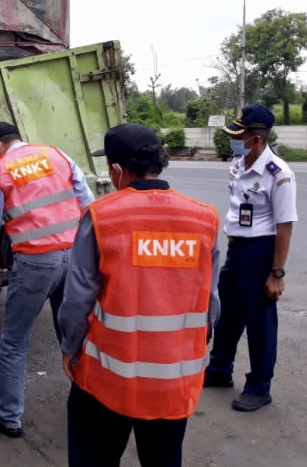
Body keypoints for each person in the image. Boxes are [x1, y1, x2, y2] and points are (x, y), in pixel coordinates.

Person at [59, 123, 220, 467]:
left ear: (117, 170)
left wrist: (70, 349)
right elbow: (211, 302)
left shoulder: (102, 216)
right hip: (174, 381)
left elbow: (76, 301)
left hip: (107, 381)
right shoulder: (204, 218)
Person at [0, 121, 94, 438]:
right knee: (74, 334)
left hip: (35, 262)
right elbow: (87, 203)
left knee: (13, 343)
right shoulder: (56, 154)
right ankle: (90, 408)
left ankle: (7, 417)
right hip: (74, 255)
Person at [204, 103, 298, 412]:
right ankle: (219, 370)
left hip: (261, 251)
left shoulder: (278, 174)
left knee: (260, 322)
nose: (233, 140)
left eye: (238, 135)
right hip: (237, 248)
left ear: (256, 139)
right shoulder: (239, 161)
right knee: (228, 313)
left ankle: (259, 385)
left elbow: (284, 227)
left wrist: (277, 273)